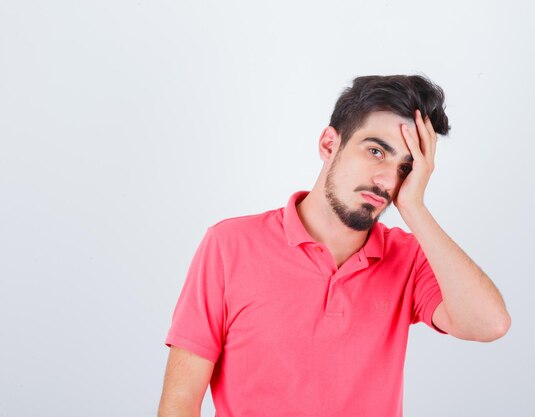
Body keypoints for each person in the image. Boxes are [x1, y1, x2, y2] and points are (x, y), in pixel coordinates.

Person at [157, 74, 511, 417]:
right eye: (375, 151)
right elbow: (180, 401)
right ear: (329, 144)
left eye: (406, 168)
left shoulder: (409, 257)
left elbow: (489, 324)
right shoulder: (229, 245)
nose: (387, 180)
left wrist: (414, 207)